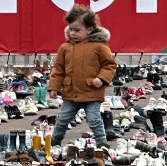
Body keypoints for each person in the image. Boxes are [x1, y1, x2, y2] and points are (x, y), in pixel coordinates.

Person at [48, 10, 116, 151]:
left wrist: (101, 78)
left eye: (77, 30)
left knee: (94, 120)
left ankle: (102, 144)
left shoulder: (99, 46)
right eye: (71, 29)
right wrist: (54, 87)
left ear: (89, 29)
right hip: (70, 92)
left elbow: (109, 65)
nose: (73, 33)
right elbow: (58, 69)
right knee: (62, 119)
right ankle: (55, 142)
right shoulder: (65, 47)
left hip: (92, 92)